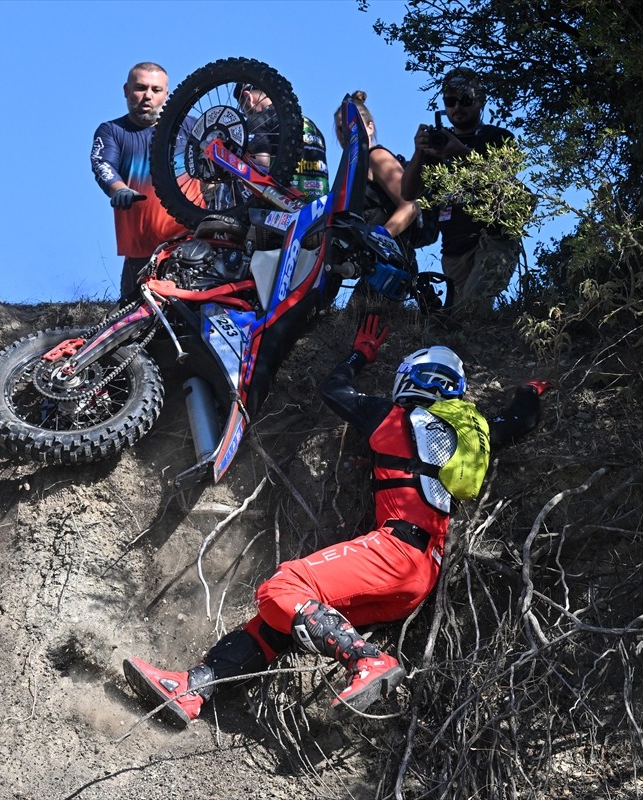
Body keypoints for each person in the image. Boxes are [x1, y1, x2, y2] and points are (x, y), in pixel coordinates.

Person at [123, 313, 549, 726]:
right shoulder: (476, 435)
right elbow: (520, 420)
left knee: (281, 589)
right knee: (278, 622)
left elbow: (335, 389)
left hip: (394, 551)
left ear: (411, 379)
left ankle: (367, 660)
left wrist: (360, 354)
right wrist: (531, 389)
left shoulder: (391, 417)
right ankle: (192, 688)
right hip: (422, 578)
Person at [401, 67, 524, 316]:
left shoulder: (498, 138)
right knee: (456, 319)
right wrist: (419, 154)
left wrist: (461, 153)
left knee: (472, 310)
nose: (457, 107)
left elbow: (504, 179)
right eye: (450, 101)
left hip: (493, 240)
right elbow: (408, 193)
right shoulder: (438, 144)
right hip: (454, 248)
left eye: (466, 100)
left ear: (481, 101)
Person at [91, 61, 189, 299]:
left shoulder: (191, 128)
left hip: (189, 247)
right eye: (140, 88)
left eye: (156, 90)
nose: (148, 96)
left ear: (167, 94)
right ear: (126, 90)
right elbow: (102, 164)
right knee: (133, 319)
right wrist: (119, 189)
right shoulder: (112, 131)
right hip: (140, 255)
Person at [334, 91, 420, 275]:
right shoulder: (354, 167)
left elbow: (411, 205)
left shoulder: (377, 157)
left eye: (351, 125)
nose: (345, 133)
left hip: (394, 264)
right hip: (375, 265)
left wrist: (381, 236)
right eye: (340, 129)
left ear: (370, 127)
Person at [237, 82, 329, 201]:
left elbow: (259, 170)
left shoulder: (259, 120)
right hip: (320, 206)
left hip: (284, 207)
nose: (246, 114)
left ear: (248, 97)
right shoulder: (310, 124)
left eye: (243, 109)